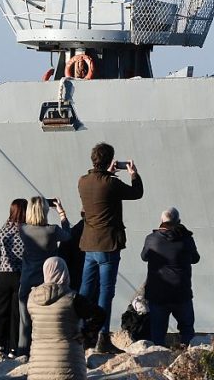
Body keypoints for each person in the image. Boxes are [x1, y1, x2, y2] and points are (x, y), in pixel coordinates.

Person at [77, 142, 143, 354]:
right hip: (108, 245)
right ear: (109, 160)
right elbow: (136, 193)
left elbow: (99, 191)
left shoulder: (83, 181)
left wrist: (108, 172)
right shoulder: (111, 183)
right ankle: (102, 337)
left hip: (89, 244)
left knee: (85, 291)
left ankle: (79, 331)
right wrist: (133, 173)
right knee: (106, 292)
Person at [26, 257, 104, 380]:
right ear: (64, 272)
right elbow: (99, 315)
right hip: (67, 364)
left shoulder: (32, 298)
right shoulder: (73, 298)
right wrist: (85, 333)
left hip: (38, 366)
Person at [18, 196, 71, 355]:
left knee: (25, 320)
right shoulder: (53, 230)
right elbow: (68, 235)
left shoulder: (23, 229)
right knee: (49, 320)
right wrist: (61, 213)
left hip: (27, 279)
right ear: (45, 211)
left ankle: (23, 353)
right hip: (47, 281)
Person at [141, 207, 200, 347]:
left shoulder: (151, 239)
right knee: (187, 330)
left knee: (157, 333)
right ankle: (187, 359)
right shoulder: (186, 239)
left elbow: (144, 257)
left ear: (161, 221)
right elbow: (195, 258)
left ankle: (158, 361)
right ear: (178, 221)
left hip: (157, 294)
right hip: (181, 292)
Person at [0, 199, 27, 358]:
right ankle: (13, 348)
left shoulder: (1, 232)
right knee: (17, 313)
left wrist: (0, 272)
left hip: (4, 276)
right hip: (22, 276)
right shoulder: (28, 233)